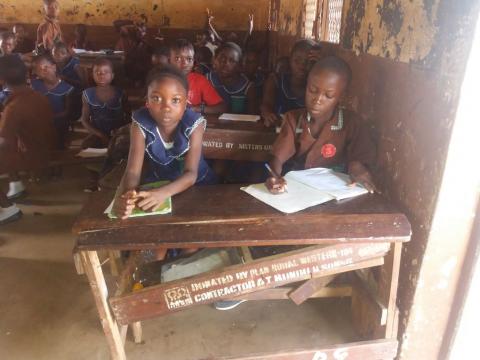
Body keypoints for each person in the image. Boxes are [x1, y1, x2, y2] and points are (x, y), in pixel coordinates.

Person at [112, 65, 216, 220]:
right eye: (156, 98)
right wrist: (127, 196)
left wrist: (164, 193)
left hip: (196, 185)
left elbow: (191, 174)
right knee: (150, 223)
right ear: (146, 101)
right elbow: (133, 171)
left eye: (175, 100)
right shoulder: (140, 124)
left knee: (191, 232)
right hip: (158, 183)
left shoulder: (194, 124)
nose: (166, 107)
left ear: (186, 102)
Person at [265, 56, 378, 194]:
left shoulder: (351, 123)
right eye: (312, 90)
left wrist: (357, 166)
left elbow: (362, 158)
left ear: (341, 97)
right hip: (299, 190)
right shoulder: (294, 119)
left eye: (328, 96)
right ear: (306, 86)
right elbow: (277, 158)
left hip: (337, 193)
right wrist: (274, 176)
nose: (317, 100)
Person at [0, 55, 57, 218]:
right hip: (44, 147)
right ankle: (16, 185)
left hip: (33, 156)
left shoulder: (14, 107)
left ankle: (7, 208)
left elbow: (3, 142)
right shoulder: (37, 96)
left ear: (2, 79)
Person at [261, 39, 317, 127]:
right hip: (277, 131)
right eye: (297, 60)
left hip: (304, 133)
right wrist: (268, 113)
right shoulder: (275, 81)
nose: (302, 66)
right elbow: (266, 104)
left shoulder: (318, 88)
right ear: (290, 60)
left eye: (308, 62)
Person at [79, 58, 127, 149]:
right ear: (92, 75)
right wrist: (100, 135)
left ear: (112, 75)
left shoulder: (121, 93)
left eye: (106, 72)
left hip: (118, 133)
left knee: (122, 148)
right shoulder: (87, 94)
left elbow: (128, 116)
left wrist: (120, 131)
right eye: (97, 72)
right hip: (98, 133)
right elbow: (84, 120)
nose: (101, 75)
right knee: (85, 146)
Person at [169, 39, 226, 114]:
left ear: (194, 62)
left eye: (189, 59)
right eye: (178, 58)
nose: (185, 63)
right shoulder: (160, 81)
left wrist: (196, 109)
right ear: (169, 61)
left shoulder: (199, 80)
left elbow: (222, 107)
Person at [31, 53, 73, 149]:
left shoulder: (67, 88)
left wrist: (51, 117)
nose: (43, 70)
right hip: (39, 122)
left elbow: (68, 112)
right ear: (36, 73)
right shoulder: (34, 85)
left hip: (58, 123)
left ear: (54, 67)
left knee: (56, 143)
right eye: (39, 69)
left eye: (46, 67)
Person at [206, 42, 256, 114]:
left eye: (232, 61)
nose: (226, 63)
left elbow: (252, 116)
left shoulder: (247, 87)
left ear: (239, 66)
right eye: (222, 58)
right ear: (214, 61)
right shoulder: (206, 80)